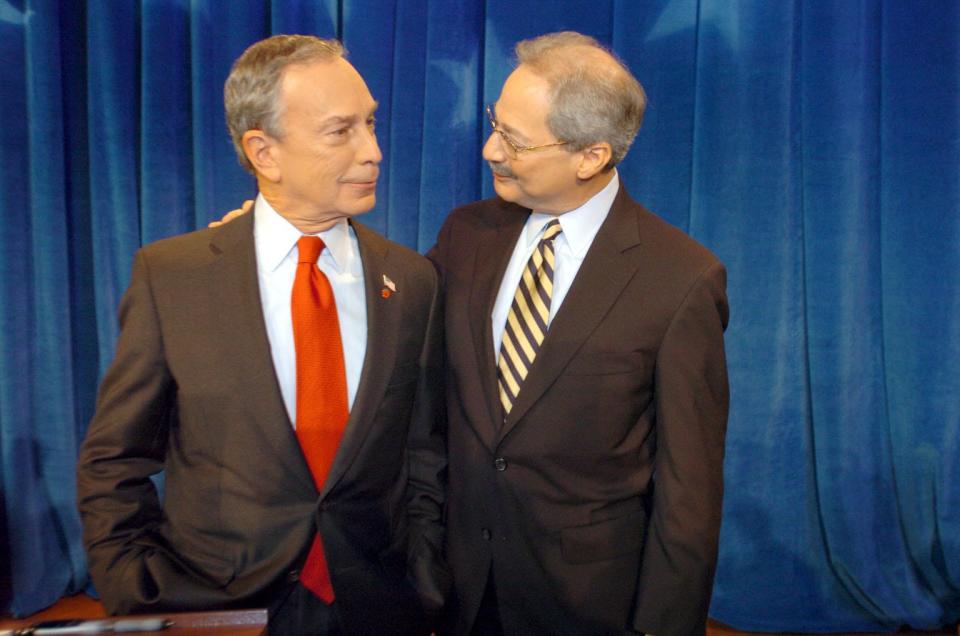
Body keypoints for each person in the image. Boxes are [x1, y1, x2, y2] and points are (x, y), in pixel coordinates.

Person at [77, 35, 447, 636]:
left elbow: (426, 457)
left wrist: (424, 582)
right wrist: (133, 586)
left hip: (377, 606)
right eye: (341, 131)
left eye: (372, 124)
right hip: (216, 604)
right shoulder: (173, 277)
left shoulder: (412, 282)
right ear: (264, 152)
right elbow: (114, 460)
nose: (374, 151)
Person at [429, 32, 728, 635]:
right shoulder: (466, 234)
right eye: (495, 124)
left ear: (590, 156)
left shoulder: (681, 279)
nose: (490, 149)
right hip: (463, 587)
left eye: (513, 139)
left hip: (589, 602)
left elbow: (688, 483)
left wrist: (663, 625)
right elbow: (393, 322)